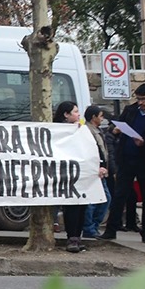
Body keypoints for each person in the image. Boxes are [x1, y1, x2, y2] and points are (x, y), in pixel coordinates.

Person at [101, 84, 145, 242]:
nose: (140, 103)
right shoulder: (130, 110)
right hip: (126, 158)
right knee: (120, 195)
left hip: (144, 161)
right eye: (138, 99)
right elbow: (117, 125)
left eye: (144, 99)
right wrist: (115, 130)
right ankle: (111, 229)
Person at [55, 101, 87, 253]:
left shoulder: (81, 129)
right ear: (66, 115)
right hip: (67, 174)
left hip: (81, 172)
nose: (78, 114)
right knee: (72, 206)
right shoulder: (59, 131)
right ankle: (72, 237)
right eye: (75, 112)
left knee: (82, 206)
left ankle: (77, 237)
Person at [81, 105, 111, 239]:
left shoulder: (96, 131)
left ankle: (92, 226)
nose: (102, 119)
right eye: (101, 116)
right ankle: (89, 227)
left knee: (104, 199)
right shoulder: (87, 132)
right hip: (94, 171)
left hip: (100, 170)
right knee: (94, 200)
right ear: (94, 117)